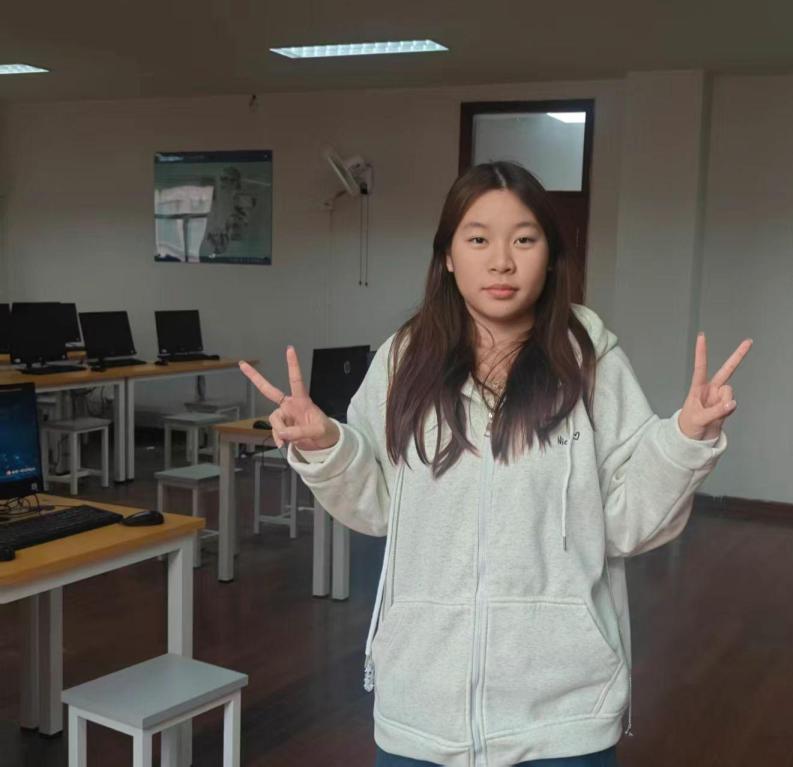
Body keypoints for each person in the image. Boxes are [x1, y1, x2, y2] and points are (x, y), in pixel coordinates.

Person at [240, 161, 752, 767]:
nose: (502, 261)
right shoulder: (405, 360)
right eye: (478, 239)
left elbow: (625, 524)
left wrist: (686, 439)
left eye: (524, 240)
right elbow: (378, 508)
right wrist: (326, 444)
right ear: (448, 256)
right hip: (419, 709)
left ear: (550, 256)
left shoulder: (589, 363)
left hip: (564, 715)